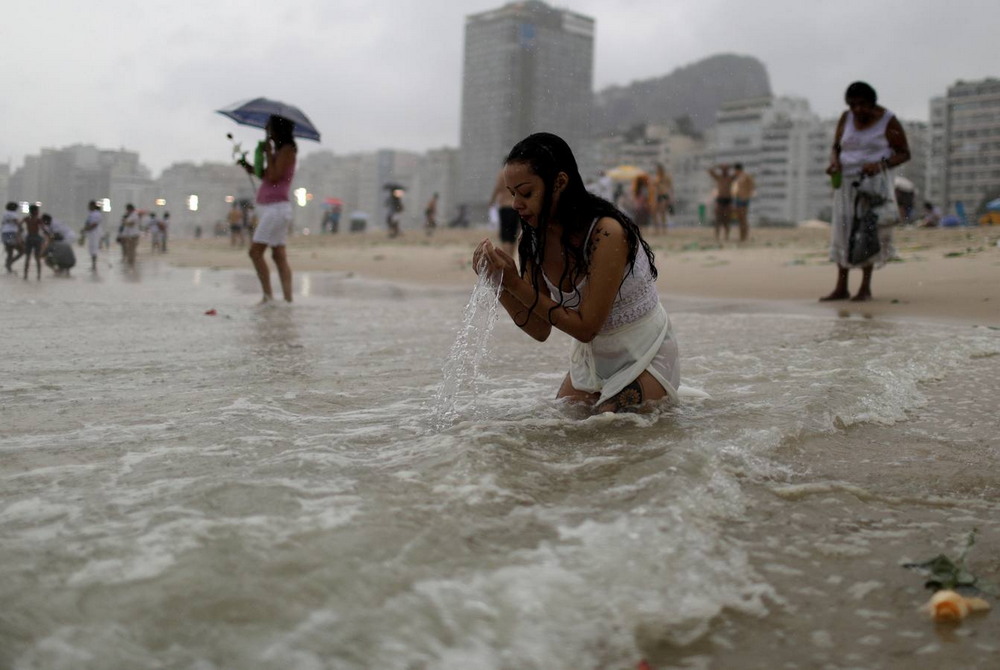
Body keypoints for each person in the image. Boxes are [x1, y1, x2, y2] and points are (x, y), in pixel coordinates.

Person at [472, 132, 680, 414]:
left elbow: (585, 328)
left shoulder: (606, 233)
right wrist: (498, 282)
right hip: (592, 359)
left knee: (608, 423)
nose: (516, 204)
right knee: (561, 423)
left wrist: (514, 283)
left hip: (645, 349)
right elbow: (539, 329)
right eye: (512, 195)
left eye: (526, 193)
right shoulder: (533, 241)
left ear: (559, 183)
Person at [823, 81, 910, 302]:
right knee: (843, 230)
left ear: (873, 104)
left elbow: (904, 153)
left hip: (874, 186)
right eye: (853, 106)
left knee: (868, 231)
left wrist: (880, 165)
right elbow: (836, 147)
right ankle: (841, 286)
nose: (857, 110)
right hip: (846, 183)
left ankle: (865, 287)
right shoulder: (846, 118)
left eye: (862, 105)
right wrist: (834, 162)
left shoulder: (888, 120)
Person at [239, 114, 297, 303]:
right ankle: (287, 300)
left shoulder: (287, 150)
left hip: (276, 209)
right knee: (278, 255)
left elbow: (273, 176)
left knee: (255, 252)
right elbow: (267, 175)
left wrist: (268, 153)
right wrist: (250, 167)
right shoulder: (281, 151)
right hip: (272, 207)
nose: (267, 132)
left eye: (269, 128)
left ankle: (268, 296)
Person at [490, 168, 519, 256]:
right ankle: (511, 257)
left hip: (504, 206)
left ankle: (507, 257)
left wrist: (492, 200)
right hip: (515, 206)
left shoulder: (502, 174)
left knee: (505, 234)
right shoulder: (516, 174)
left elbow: (497, 188)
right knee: (513, 234)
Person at [21, 204, 51, 280]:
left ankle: (25, 275)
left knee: (27, 257)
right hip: (36, 238)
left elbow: (19, 225)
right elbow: (43, 228)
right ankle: (38, 276)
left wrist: (19, 234)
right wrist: (49, 235)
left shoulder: (26, 219)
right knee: (37, 257)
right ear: (35, 211)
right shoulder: (38, 220)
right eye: (37, 210)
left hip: (29, 238)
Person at [707, 164, 735, 242]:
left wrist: (730, 167)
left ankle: (726, 236)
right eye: (723, 169)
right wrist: (718, 166)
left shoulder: (730, 178)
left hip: (728, 199)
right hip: (720, 199)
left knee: (727, 220)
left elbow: (737, 173)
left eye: (726, 169)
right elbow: (709, 171)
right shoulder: (719, 178)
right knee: (718, 219)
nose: (724, 171)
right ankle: (717, 236)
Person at [731, 163, 755, 242]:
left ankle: (745, 236)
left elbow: (752, 186)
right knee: (740, 218)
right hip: (737, 198)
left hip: (744, 199)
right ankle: (741, 236)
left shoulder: (746, 176)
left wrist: (748, 195)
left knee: (743, 218)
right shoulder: (737, 178)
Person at [82, 200, 103, 271]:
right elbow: (88, 223)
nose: (88, 207)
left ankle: (94, 265)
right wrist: (84, 230)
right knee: (91, 249)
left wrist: (86, 229)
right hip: (91, 234)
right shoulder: (91, 214)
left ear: (93, 206)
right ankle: (93, 265)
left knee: (94, 249)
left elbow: (94, 224)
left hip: (95, 234)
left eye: (89, 206)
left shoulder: (96, 214)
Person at [3, 201, 24, 272]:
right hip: (12, 233)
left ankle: (9, 266)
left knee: (10, 251)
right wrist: (21, 227)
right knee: (21, 250)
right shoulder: (13, 214)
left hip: (5, 233)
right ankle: (9, 263)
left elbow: (3, 223)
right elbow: (16, 221)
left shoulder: (5, 213)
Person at [119, 203, 140, 268]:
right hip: (130, 236)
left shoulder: (134, 215)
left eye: (127, 209)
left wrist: (125, 222)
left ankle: (131, 265)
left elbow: (131, 224)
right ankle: (130, 264)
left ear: (130, 209)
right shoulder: (130, 215)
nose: (126, 211)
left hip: (133, 236)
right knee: (129, 250)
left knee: (131, 250)